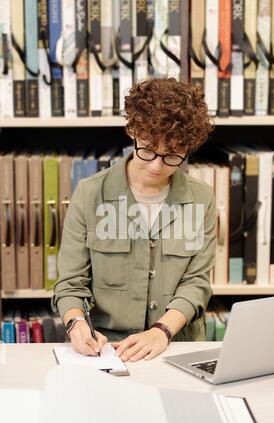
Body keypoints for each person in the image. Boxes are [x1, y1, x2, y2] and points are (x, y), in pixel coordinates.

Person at [51, 78, 216, 362]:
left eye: (172, 155)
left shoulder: (202, 198)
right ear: (132, 130)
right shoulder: (90, 193)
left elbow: (197, 282)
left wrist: (161, 331)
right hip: (109, 352)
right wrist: (76, 324)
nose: (156, 165)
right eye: (148, 149)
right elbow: (70, 283)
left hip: (176, 346)